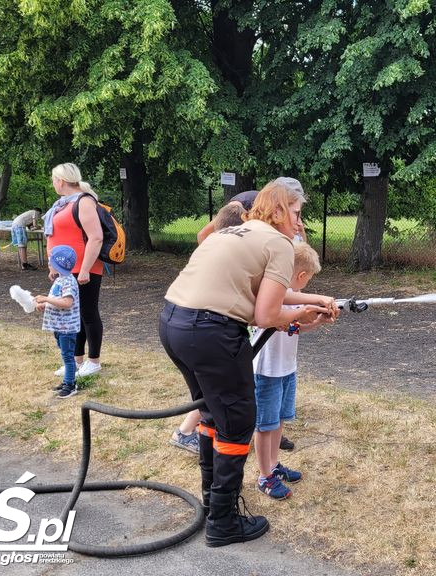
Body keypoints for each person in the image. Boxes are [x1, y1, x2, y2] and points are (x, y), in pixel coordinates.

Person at [159, 179, 338, 547]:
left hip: (173, 323)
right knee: (238, 423)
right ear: (278, 211)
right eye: (297, 213)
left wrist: (316, 298)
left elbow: (268, 291)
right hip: (212, 331)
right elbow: (266, 312)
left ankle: (213, 503)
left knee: (212, 413)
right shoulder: (280, 243)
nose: (300, 224)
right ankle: (223, 522)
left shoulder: (239, 232)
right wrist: (300, 315)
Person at [170, 201, 252, 454]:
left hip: (180, 319)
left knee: (213, 395)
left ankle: (197, 434)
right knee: (219, 395)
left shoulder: (227, 236)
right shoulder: (241, 232)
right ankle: (186, 432)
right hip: (206, 327)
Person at [254, 242, 330, 500]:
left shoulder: (294, 301)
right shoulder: (274, 296)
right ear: (301, 276)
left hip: (287, 369)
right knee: (265, 425)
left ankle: (274, 465)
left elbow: (292, 328)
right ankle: (264, 476)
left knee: (279, 421)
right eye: (308, 279)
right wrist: (304, 313)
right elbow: (278, 324)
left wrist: (317, 321)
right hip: (266, 372)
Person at [44, 163, 104, 379]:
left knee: (88, 313)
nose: (53, 184)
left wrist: (86, 268)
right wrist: (53, 265)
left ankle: (93, 361)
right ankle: (76, 361)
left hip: (84, 268)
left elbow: (96, 237)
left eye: (53, 180)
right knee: (72, 315)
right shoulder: (61, 205)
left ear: (60, 180)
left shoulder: (84, 201)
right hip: (67, 270)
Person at [35, 245, 82, 399]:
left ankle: (70, 384)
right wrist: (45, 305)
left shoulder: (68, 281)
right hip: (59, 326)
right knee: (65, 354)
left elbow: (67, 303)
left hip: (67, 327)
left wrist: (46, 298)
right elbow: (57, 301)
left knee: (68, 356)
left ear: (58, 265)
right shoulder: (60, 280)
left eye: (50, 263)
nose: (48, 265)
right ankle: (68, 380)